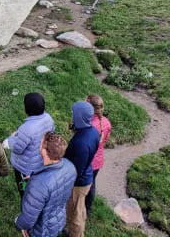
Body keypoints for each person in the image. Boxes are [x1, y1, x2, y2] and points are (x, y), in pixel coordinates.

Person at [15, 132, 77, 237]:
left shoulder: (37, 186)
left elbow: (28, 219)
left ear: (44, 151)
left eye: (41, 142)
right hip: (59, 220)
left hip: (41, 230)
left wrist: (18, 223)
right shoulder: (70, 167)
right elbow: (58, 184)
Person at [3, 93, 55, 200]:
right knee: (36, 193)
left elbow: (17, 149)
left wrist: (11, 138)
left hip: (25, 170)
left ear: (27, 109)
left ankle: (26, 214)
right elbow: (51, 134)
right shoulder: (48, 118)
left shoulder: (27, 128)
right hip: (41, 164)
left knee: (25, 193)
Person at [64, 101, 100, 237]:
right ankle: (74, 229)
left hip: (78, 183)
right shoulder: (93, 131)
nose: (71, 115)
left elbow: (76, 171)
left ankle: (76, 234)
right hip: (87, 174)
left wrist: (66, 182)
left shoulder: (81, 144)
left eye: (73, 114)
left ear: (79, 117)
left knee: (75, 214)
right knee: (79, 208)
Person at [85, 94, 112, 214]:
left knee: (85, 185)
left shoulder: (88, 125)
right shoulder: (106, 122)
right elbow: (105, 140)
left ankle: (83, 208)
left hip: (88, 161)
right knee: (92, 184)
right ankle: (88, 208)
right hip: (98, 160)